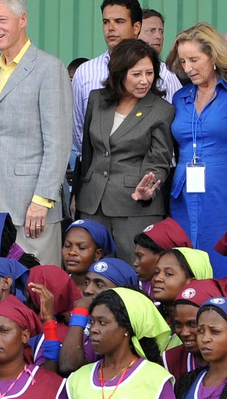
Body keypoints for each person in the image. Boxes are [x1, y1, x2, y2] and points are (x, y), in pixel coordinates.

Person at [0, 0, 71, 261]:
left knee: (36, 284)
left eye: (2, 19)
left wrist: (42, 200)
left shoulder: (49, 68)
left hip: (31, 203)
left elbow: (59, 141)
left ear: (23, 19)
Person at [75, 40, 175, 259]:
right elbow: (88, 151)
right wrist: (79, 193)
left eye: (149, 73)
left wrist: (150, 188)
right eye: (136, 74)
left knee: (132, 273)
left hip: (135, 207)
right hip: (92, 205)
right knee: (93, 273)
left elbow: (159, 161)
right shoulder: (97, 99)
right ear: (119, 73)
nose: (144, 80)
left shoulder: (161, 110)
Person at [167, 23, 227, 254]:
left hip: (224, 191)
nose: (188, 68)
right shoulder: (179, 97)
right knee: (186, 256)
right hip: (183, 191)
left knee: (221, 255)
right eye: (183, 62)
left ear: (213, 56)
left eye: (194, 60)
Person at [67, 0, 178, 162]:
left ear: (136, 27)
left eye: (119, 21)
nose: (111, 28)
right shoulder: (85, 72)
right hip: (94, 171)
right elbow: (78, 128)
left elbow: (173, 125)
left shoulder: (163, 73)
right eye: (106, 22)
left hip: (148, 172)